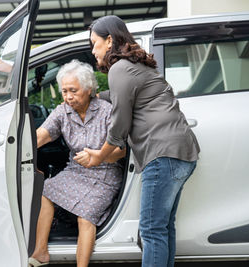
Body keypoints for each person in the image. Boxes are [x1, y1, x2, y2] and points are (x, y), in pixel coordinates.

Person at [74, 16, 200, 267]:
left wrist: (99, 155)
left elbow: (119, 124)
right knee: (162, 228)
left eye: (94, 43)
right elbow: (129, 95)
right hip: (183, 152)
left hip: (162, 154)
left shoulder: (119, 68)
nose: (92, 50)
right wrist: (98, 96)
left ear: (109, 41)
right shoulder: (135, 66)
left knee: (152, 230)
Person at [29, 59, 126, 267]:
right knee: (44, 191)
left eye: (73, 90)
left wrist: (99, 155)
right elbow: (40, 137)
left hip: (106, 174)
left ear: (89, 88)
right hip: (77, 171)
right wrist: (18, 151)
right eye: (64, 91)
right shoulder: (63, 111)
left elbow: (121, 150)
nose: (68, 97)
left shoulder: (106, 111)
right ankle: (40, 252)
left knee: (85, 216)